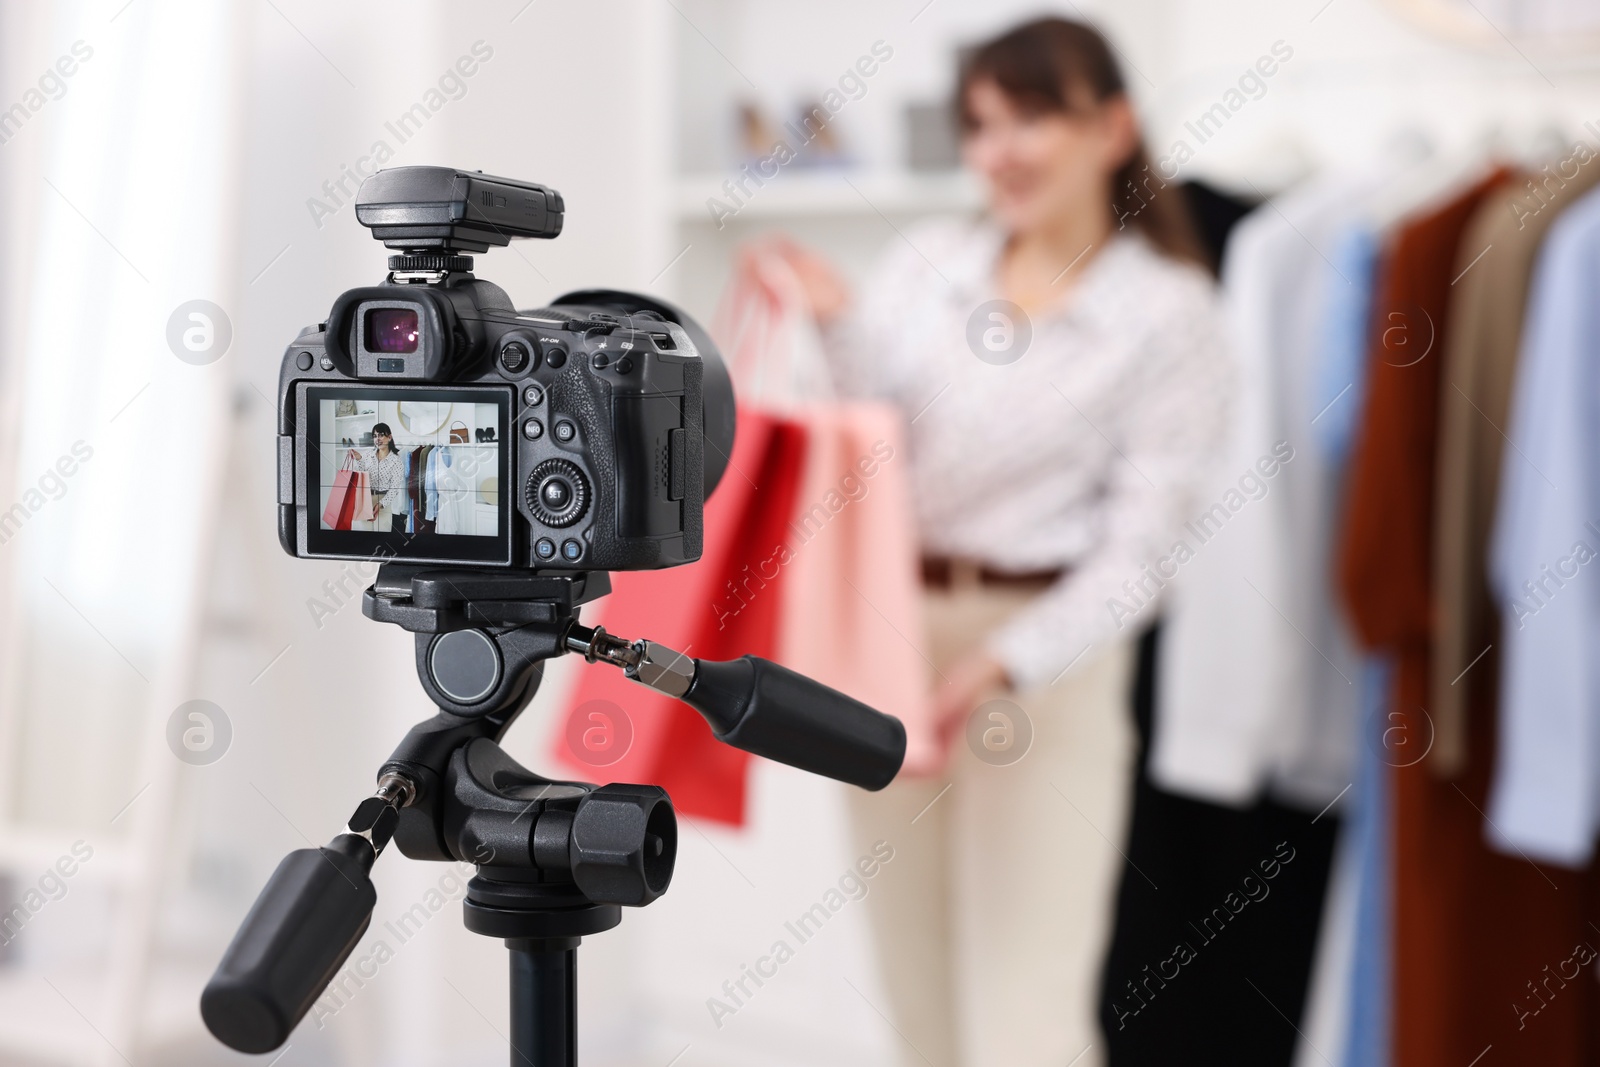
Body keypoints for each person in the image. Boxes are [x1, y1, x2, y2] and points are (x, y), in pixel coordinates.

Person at [748, 17, 1233, 1066]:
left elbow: (1142, 550)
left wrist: (1002, 663)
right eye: (979, 124)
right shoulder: (929, 262)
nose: (999, 151)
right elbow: (878, 453)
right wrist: (837, 324)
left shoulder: (1168, 312)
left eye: (1032, 119)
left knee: (1023, 1014)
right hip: (887, 641)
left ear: (1113, 127)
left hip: (1038, 662)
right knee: (914, 996)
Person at [347, 422, 407, 533]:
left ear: (389, 437)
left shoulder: (396, 461)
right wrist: (359, 459)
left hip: (383, 502)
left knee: (382, 537)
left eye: (381, 435)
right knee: (363, 536)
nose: (377, 439)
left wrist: (380, 505)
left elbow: (394, 489)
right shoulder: (368, 454)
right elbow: (361, 475)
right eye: (375, 436)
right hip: (364, 499)